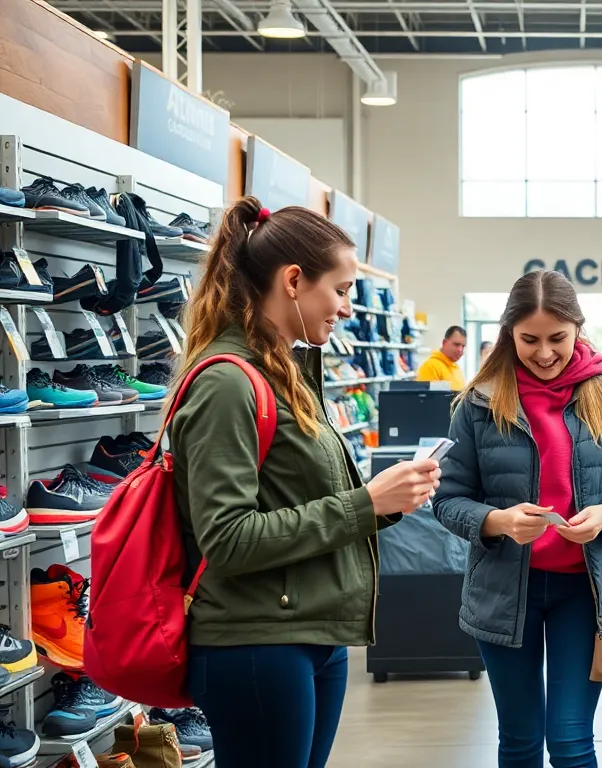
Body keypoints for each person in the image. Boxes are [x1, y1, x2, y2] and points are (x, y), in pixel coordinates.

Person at [171, 197, 440, 768]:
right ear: (294, 280)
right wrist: (364, 502)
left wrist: (386, 503)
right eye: (341, 290)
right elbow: (229, 538)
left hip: (309, 632)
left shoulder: (286, 372)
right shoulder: (228, 382)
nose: (347, 308)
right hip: (256, 640)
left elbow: (300, 499)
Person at [434, 270, 602, 768]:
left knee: (571, 741)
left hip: (583, 590)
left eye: (557, 338)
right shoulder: (479, 402)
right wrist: (497, 521)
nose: (543, 353)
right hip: (502, 593)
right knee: (518, 739)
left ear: (578, 328)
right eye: (528, 340)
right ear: (508, 334)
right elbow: (448, 499)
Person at [418, 325, 468, 390]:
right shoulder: (431, 366)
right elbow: (429, 398)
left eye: (463, 346)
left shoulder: (455, 366)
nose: (460, 350)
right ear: (444, 343)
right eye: (456, 344)